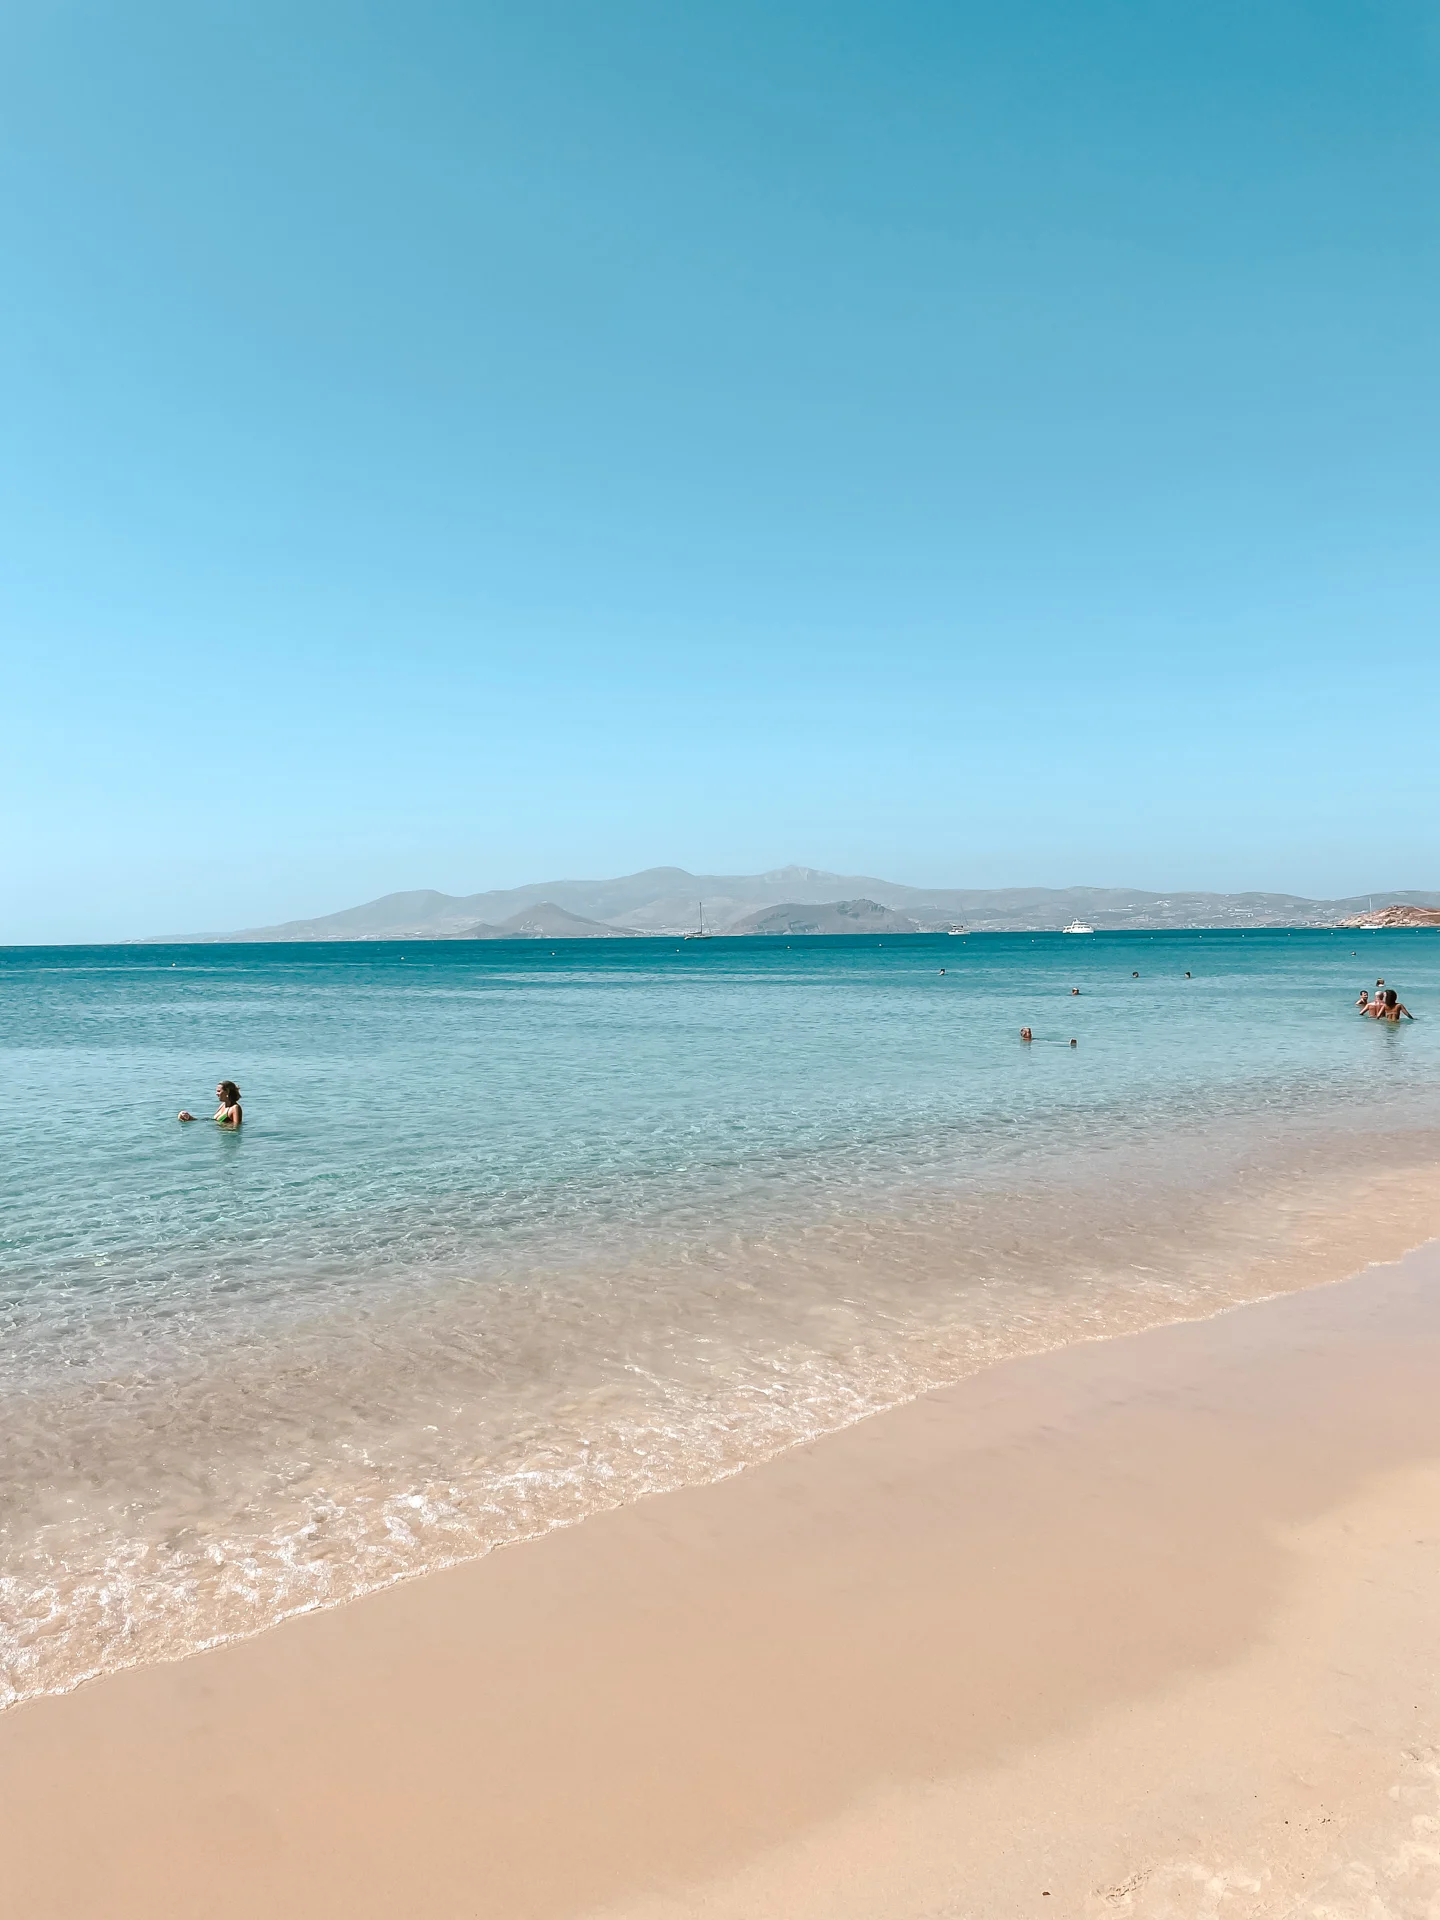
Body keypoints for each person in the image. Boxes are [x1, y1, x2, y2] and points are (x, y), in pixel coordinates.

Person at [179, 1080, 243, 1126]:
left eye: (219, 1091)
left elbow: (236, 1128)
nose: (216, 1094)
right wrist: (189, 1118)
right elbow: (212, 1121)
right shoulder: (223, 1105)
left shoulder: (235, 1108)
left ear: (227, 1092)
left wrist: (217, 1126)